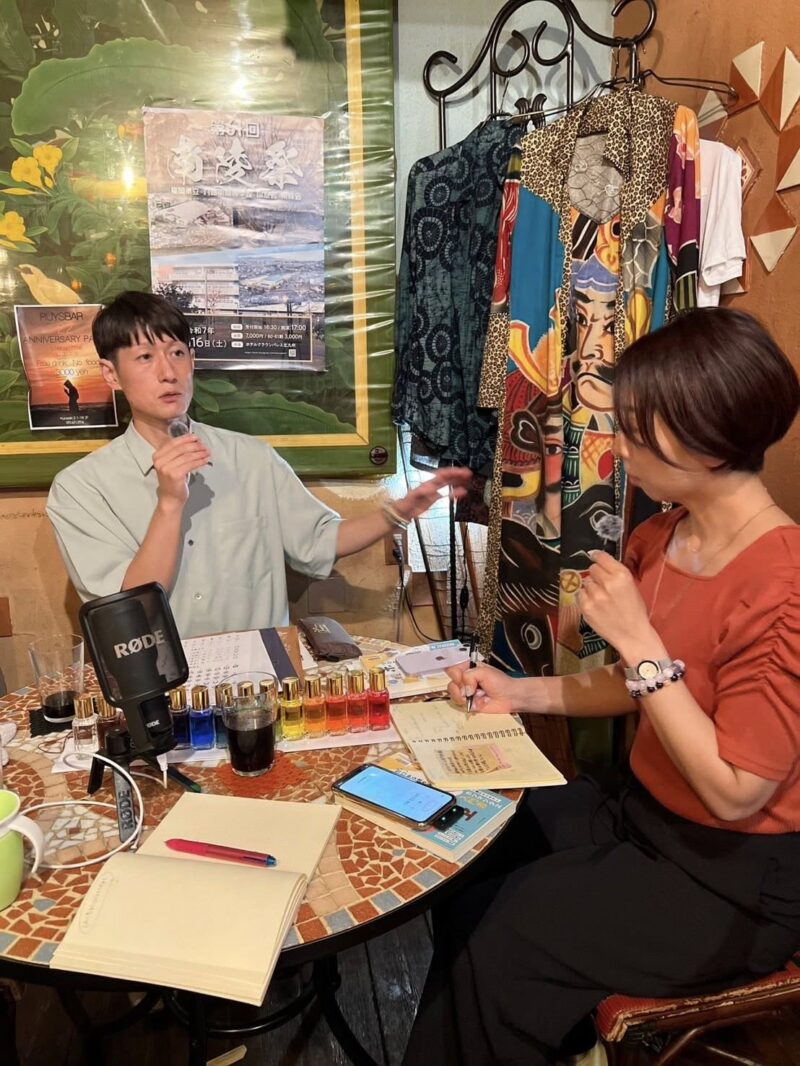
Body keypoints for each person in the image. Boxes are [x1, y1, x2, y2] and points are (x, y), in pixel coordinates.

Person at [402, 307, 800, 1066]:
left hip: (733, 877)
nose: (616, 447)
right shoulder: (665, 535)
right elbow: (640, 686)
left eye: (636, 430)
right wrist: (515, 693)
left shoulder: (784, 586)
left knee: (505, 936)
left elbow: (737, 792)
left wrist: (641, 641)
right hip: (641, 813)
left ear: (705, 439)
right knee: (471, 850)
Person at [47, 291, 470, 638]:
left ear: (192, 360)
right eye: (144, 358)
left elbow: (319, 541)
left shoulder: (250, 457)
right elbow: (129, 611)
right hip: (162, 686)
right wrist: (170, 504)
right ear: (111, 374)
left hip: (261, 680)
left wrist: (401, 511)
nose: (167, 372)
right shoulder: (81, 488)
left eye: (176, 353)